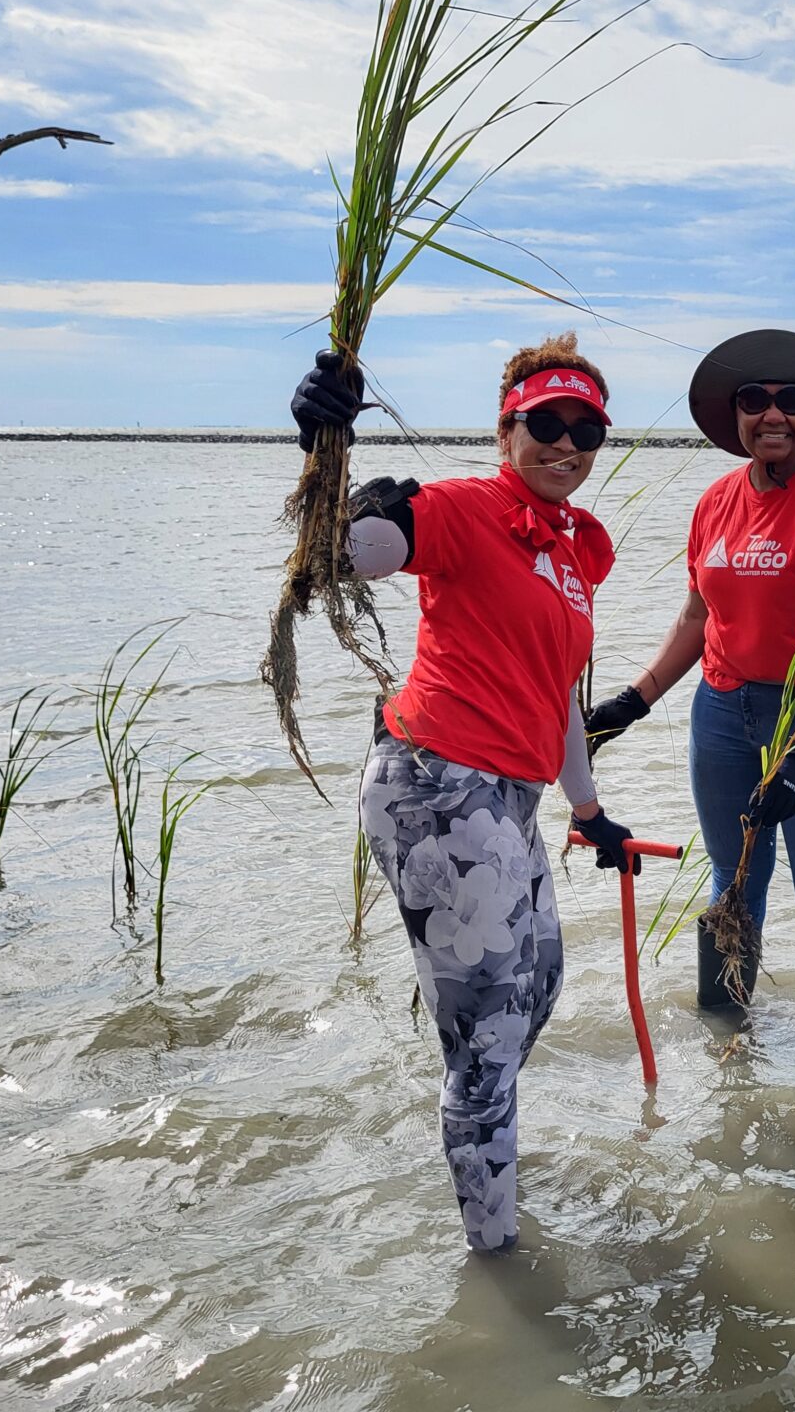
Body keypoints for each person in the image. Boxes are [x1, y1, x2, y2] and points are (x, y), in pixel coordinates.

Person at [289, 331, 639, 1252]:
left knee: (542, 986)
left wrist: (589, 811)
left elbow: (557, 691)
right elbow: (353, 554)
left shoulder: (570, 550)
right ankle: (498, 1270)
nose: (566, 444)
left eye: (587, 430)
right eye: (546, 424)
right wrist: (328, 456)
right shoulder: (466, 507)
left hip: (510, 801)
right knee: (487, 1043)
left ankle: (477, 1129)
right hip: (436, 785)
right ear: (505, 429)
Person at [583, 329, 795, 1042]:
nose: (772, 415)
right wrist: (634, 701)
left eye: (791, 401)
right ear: (735, 414)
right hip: (723, 712)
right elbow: (699, 613)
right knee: (733, 881)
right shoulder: (716, 502)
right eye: (755, 401)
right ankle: (727, 1048)